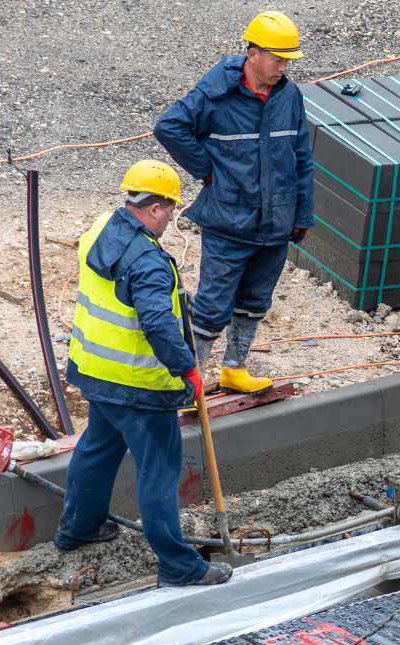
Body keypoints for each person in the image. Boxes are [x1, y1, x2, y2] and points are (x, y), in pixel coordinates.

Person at [55, 161, 230, 588]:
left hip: (97, 373)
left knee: (98, 448)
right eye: (170, 208)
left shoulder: (99, 229)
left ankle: (77, 530)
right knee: (159, 471)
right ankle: (178, 564)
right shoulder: (149, 262)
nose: (173, 216)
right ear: (153, 207)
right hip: (140, 386)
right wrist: (187, 370)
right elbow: (156, 323)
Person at [155, 11, 314, 395]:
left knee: (256, 301)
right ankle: (188, 387)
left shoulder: (289, 95)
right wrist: (208, 171)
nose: (283, 67)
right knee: (211, 309)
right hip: (230, 221)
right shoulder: (216, 94)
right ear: (253, 53)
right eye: (278, 58)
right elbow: (169, 126)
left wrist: (302, 214)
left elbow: (302, 158)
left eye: (288, 60)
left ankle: (234, 368)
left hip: (276, 222)